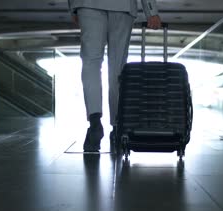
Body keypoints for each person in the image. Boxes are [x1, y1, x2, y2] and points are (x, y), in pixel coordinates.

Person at [68, 0, 162, 152]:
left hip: (87, 4)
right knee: (118, 66)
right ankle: (118, 126)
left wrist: (72, 7)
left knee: (91, 62)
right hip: (123, 6)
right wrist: (151, 11)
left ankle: (95, 123)